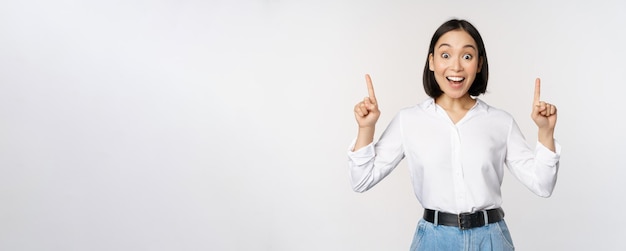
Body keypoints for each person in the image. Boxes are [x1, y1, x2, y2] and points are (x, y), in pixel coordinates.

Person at [347, 19, 560, 251]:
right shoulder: (408, 120)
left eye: (467, 56)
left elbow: (543, 185)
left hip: (490, 240)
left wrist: (545, 132)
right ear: (431, 62)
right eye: (445, 55)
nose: (456, 67)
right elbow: (361, 180)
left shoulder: (500, 122)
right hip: (433, 240)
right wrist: (366, 129)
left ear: (479, 64)